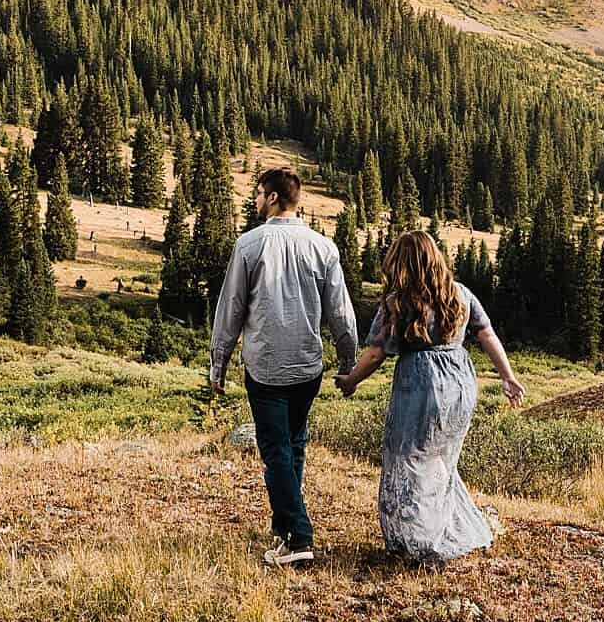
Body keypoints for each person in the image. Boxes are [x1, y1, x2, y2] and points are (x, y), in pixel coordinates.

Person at [335, 230, 525, 565]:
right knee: (442, 461)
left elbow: (377, 354)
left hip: (421, 384)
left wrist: (351, 380)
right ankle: (448, 529)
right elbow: (487, 334)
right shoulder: (460, 294)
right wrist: (508, 377)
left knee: (408, 459)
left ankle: (416, 540)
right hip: (461, 382)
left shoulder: (398, 302)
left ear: (400, 264)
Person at [210, 167, 359, 566]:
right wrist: (349, 360)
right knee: (293, 445)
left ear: (273, 198)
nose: (255, 199)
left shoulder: (249, 245)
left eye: (259, 193)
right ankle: (285, 527)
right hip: (308, 367)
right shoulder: (323, 248)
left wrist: (218, 363)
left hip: (266, 366)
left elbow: (231, 309)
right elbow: (341, 313)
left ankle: (298, 538)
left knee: (276, 449)